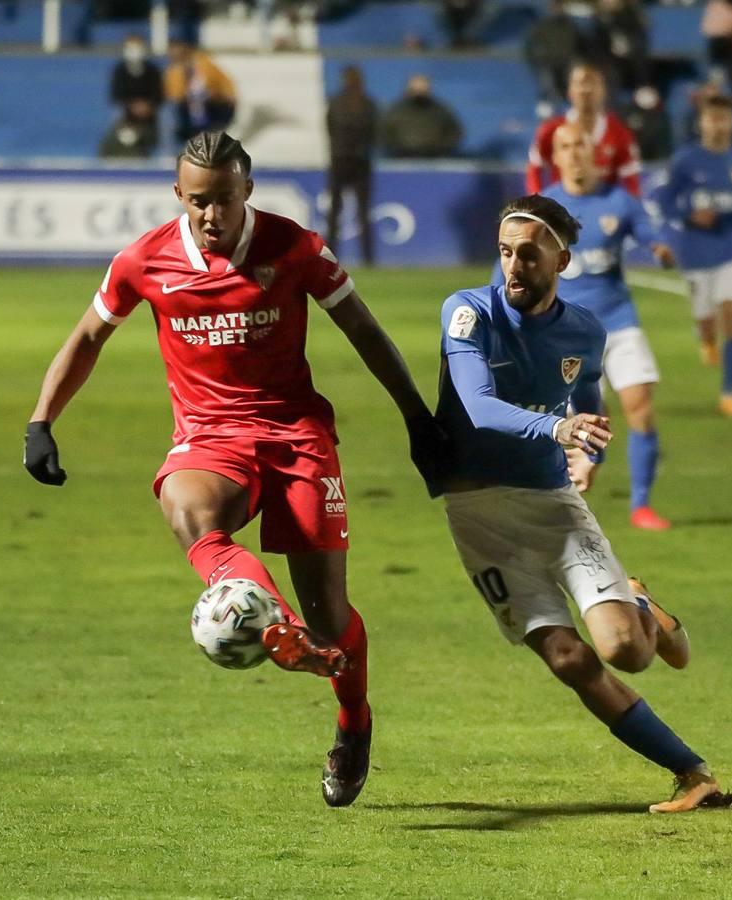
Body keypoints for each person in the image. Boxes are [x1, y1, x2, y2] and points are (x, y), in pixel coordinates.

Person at [23, 131, 447, 807]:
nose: (210, 215)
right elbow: (87, 336)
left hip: (296, 437)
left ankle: (353, 722)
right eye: (197, 202)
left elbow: (364, 330)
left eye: (223, 199)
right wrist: (42, 420)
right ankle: (274, 628)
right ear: (178, 197)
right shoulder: (143, 261)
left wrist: (416, 420)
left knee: (331, 616)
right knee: (189, 514)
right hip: (209, 439)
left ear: (247, 190)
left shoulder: (295, 248)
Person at [435, 193, 732, 814]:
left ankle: (642, 605)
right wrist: (558, 430)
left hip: (551, 501)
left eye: (529, 254)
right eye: (505, 252)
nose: (514, 265)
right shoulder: (467, 313)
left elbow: (587, 399)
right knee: (569, 659)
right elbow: (477, 406)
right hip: (478, 513)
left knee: (627, 650)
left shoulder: (584, 330)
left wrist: (586, 450)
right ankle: (692, 773)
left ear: (562, 259)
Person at [508, 122, 674, 530]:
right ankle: (562, 503)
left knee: (641, 407)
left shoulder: (621, 202)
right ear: (557, 157)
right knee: (569, 427)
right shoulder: (541, 210)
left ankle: (641, 505)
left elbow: (653, 235)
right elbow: (510, 268)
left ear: (595, 152)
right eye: (566, 146)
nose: (575, 152)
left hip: (618, 322)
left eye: (581, 144)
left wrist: (661, 248)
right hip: (562, 335)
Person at [654, 94, 732, 418]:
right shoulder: (685, 160)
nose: (718, 124)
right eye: (712, 118)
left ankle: (729, 394)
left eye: (723, 118)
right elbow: (664, 201)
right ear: (701, 122)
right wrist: (688, 214)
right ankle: (707, 339)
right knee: (705, 319)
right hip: (696, 251)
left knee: (731, 314)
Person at [526, 61, 643, 195]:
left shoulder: (621, 134)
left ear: (604, 90)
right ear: (569, 90)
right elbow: (534, 170)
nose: (586, 89)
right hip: (561, 208)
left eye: (592, 82)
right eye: (579, 83)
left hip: (603, 208)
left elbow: (631, 183)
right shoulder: (550, 131)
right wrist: (537, 203)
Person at [325, 65, 379, 265]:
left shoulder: (336, 103)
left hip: (340, 160)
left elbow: (330, 129)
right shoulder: (368, 104)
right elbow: (374, 133)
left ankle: (329, 256)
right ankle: (368, 259)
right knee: (363, 213)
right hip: (361, 162)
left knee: (334, 213)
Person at [102, 35, 163, 159]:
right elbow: (116, 94)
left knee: (166, 117)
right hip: (126, 114)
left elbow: (158, 94)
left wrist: (147, 106)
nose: (135, 51)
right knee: (116, 114)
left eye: (137, 47)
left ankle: (163, 152)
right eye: (131, 47)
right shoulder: (120, 70)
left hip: (150, 114)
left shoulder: (153, 70)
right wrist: (132, 106)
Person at [164, 40, 238, 142]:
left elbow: (224, 84)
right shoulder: (173, 71)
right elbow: (175, 95)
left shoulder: (205, 64)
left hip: (211, 104)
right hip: (186, 107)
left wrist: (223, 95)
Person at [524, 0, 584, 117]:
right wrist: (534, 59)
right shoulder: (543, 25)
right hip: (548, 61)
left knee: (571, 80)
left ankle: (572, 107)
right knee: (547, 83)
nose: (557, 10)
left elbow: (581, 44)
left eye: (560, 8)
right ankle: (546, 106)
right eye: (555, 8)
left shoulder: (570, 26)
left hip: (566, 61)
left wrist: (579, 57)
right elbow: (529, 45)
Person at [380, 74, 464, 158]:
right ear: (407, 91)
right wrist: (396, 148)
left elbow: (455, 132)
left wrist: (441, 148)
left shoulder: (441, 111)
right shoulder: (395, 112)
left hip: (435, 159)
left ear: (428, 91)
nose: (419, 94)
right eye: (415, 90)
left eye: (422, 90)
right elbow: (383, 133)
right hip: (402, 159)